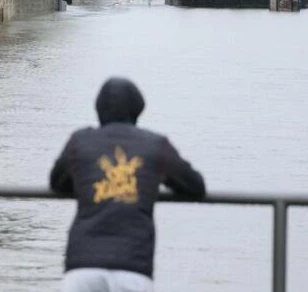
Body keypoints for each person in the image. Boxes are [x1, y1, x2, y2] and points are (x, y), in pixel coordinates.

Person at [49, 77, 205, 292]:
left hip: (83, 265)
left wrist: (91, 184)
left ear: (99, 109)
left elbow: (57, 182)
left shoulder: (80, 141)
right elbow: (195, 186)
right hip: (134, 267)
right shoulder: (156, 145)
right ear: (137, 110)